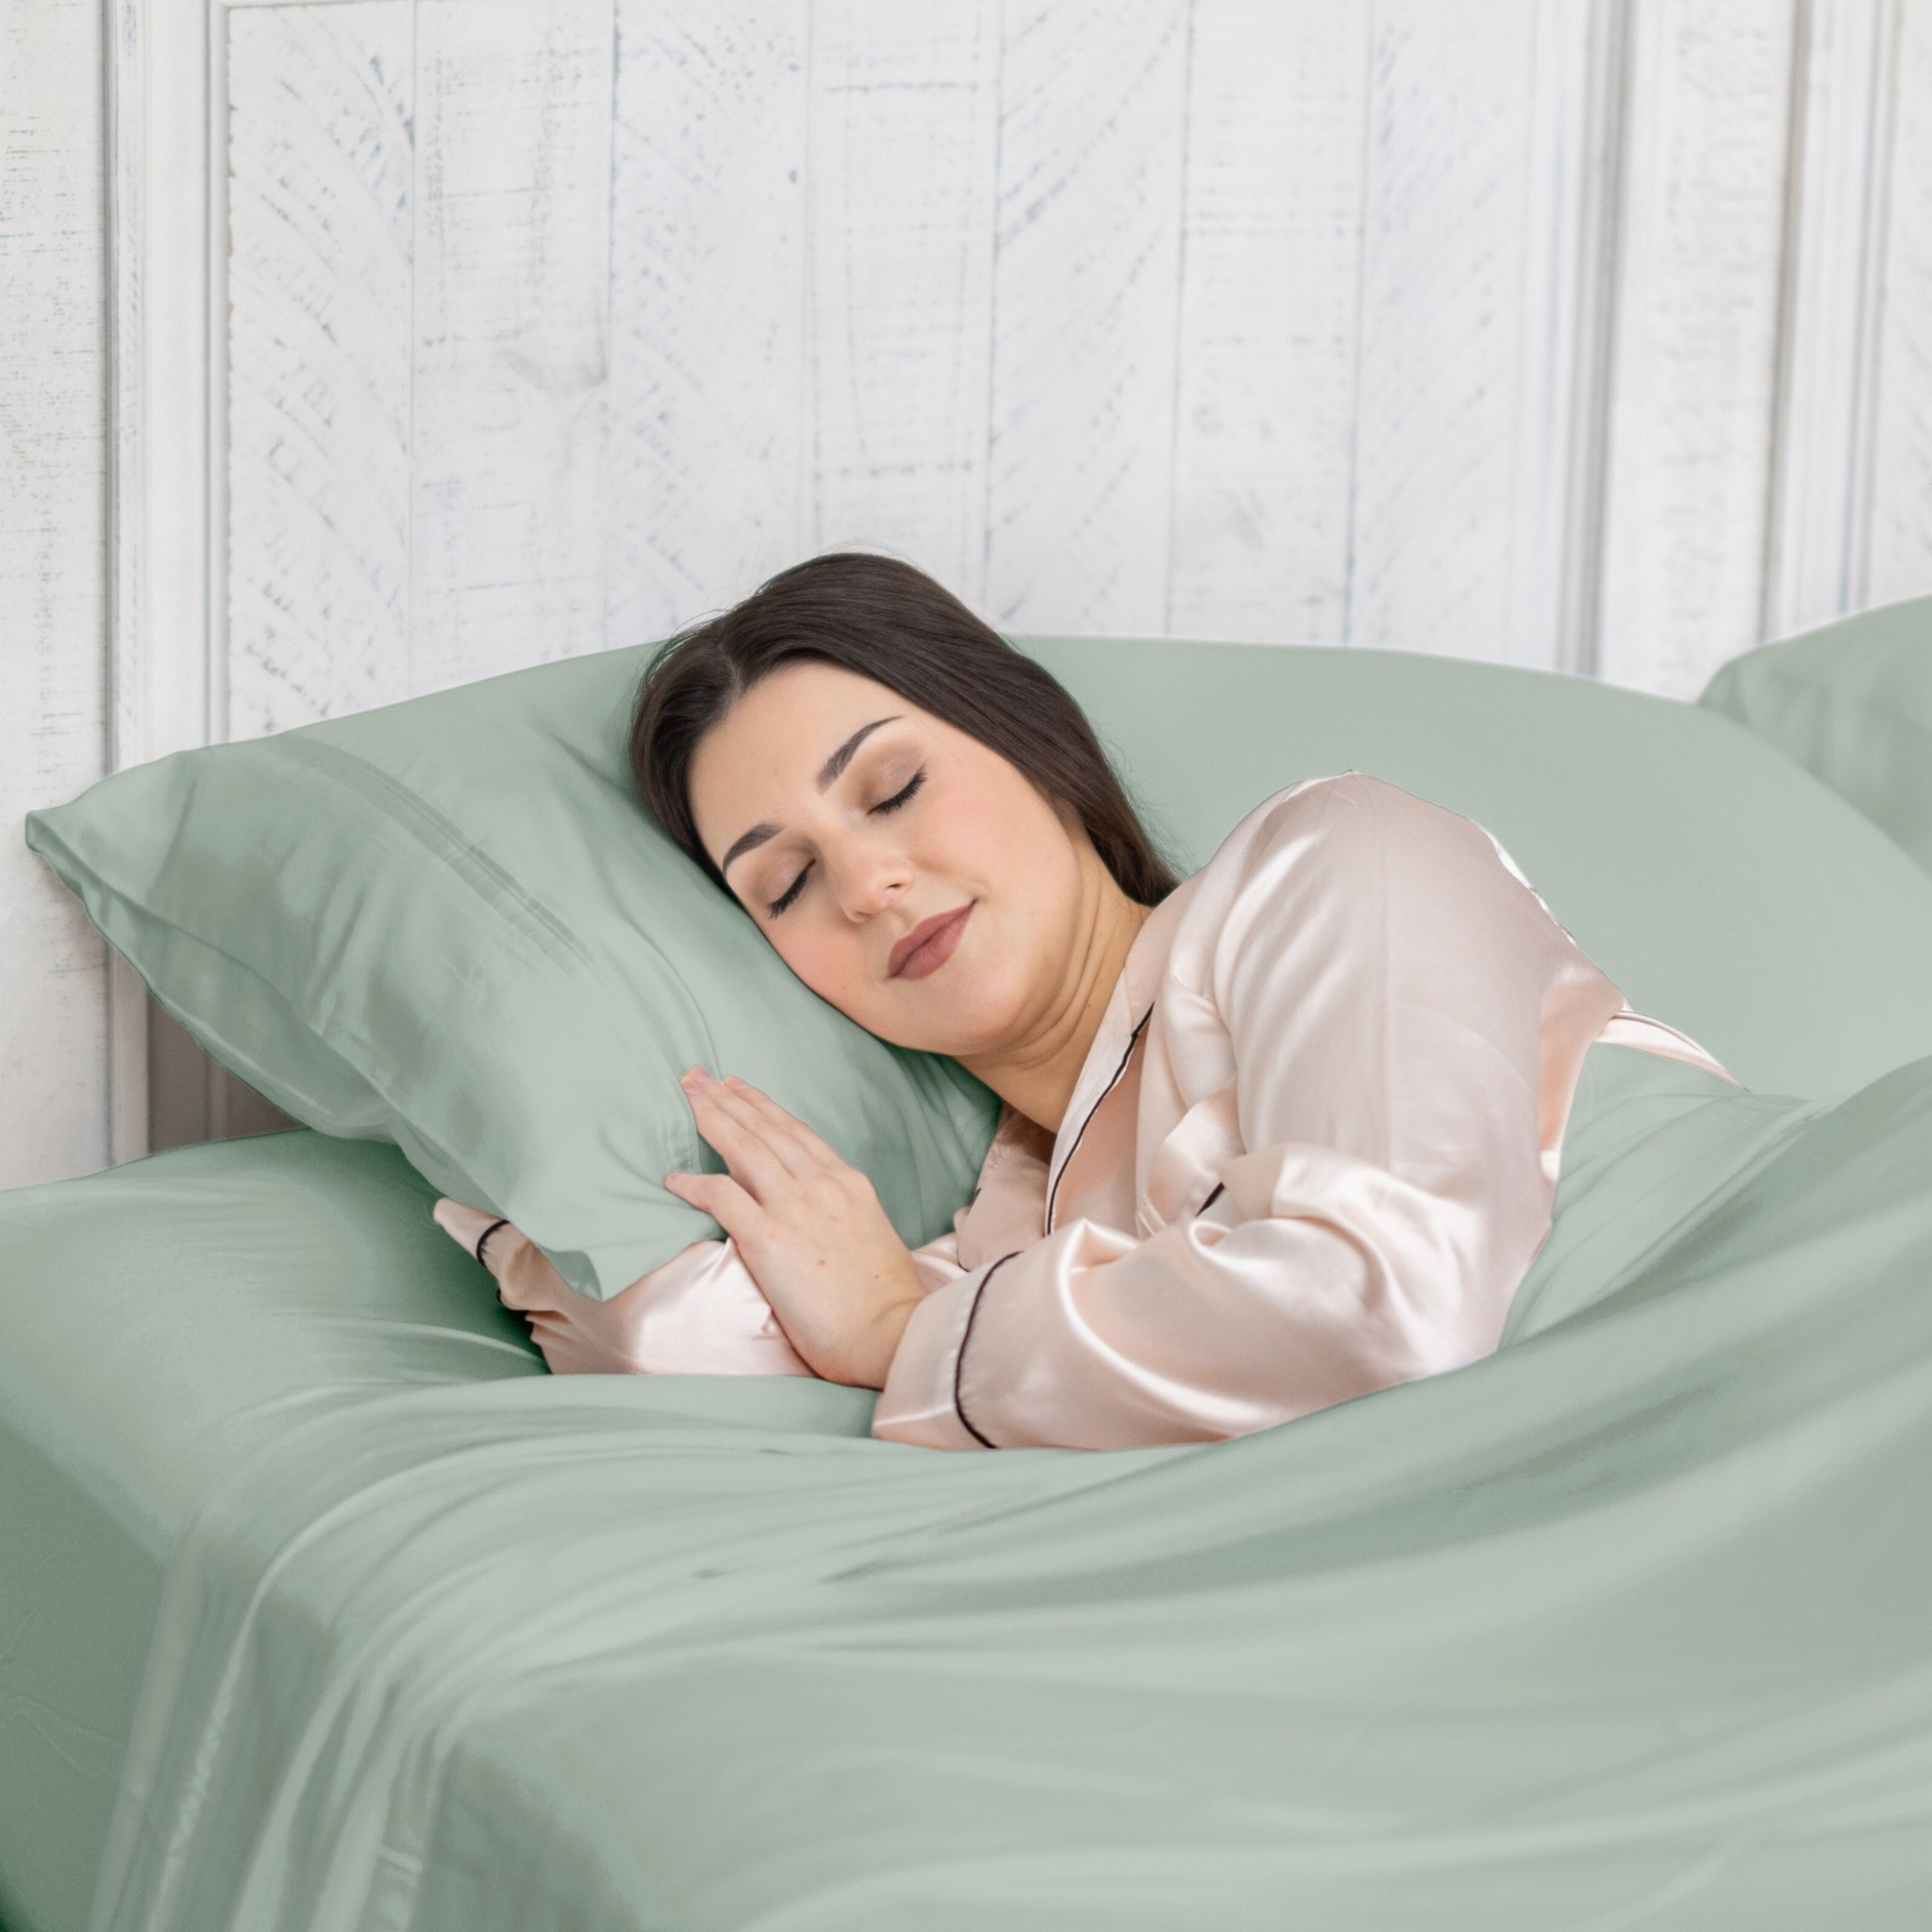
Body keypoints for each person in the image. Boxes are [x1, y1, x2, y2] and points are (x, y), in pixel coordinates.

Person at [436, 554, 1726, 1450]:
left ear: (1033, 742)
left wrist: (896, 1328)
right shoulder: (1008, 1241)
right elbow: (685, 1352)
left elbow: (1394, 1297)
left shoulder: (1334, 863)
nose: (871, 884)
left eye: (892, 790)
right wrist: (507, 1202)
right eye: (786, 884)